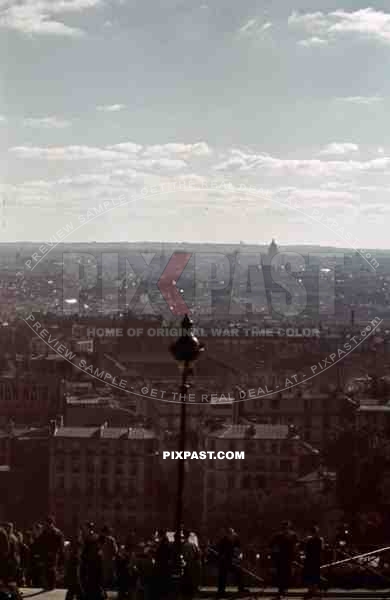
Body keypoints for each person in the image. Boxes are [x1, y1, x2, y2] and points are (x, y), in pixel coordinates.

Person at [216, 527, 247, 597]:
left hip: (233, 561)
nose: (232, 535)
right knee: (222, 575)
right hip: (224, 562)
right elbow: (219, 552)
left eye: (232, 533)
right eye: (230, 533)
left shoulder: (236, 540)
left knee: (239, 572)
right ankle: (221, 591)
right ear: (227, 534)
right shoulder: (223, 541)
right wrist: (222, 555)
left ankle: (241, 588)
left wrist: (239, 556)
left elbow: (239, 550)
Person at [271, 521, 298, 599]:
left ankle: (284, 590)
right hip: (281, 557)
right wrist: (275, 552)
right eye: (284, 527)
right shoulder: (278, 535)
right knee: (281, 574)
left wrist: (295, 555)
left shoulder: (292, 535)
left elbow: (296, 545)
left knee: (287, 573)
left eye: (286, 527)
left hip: (288, 557)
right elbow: (272, 545)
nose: (285, 529)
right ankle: (281, 590)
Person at [39, 516, 65, 590]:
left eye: (47, 523)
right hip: (46, 553)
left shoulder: (57, 532)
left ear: (51, 523)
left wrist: (60, 554)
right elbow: (41, 542)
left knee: (52, 569)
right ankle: (48, 585)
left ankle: (52, 585)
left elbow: (61, 545)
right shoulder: (45, 531)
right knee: (46, 569)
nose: (46, 525)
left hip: (54, 554)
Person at [303, 526, 323, 598]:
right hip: (315, 559)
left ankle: (311, 590)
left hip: (310, 559)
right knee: (315, 575)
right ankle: (314, 590)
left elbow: (305, 549)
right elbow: (321, 550)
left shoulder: (308, 539)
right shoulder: (320, 539)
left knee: (310, 575)